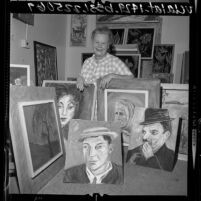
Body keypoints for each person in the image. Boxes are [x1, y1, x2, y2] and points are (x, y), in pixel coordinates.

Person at [76, 26, 133, 91]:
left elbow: (130, 77)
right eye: (97, 42)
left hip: (108, 100)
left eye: (103, 43)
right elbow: (82, 80)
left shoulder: (114, 61)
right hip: (88, 100)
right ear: (92, 43)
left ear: (108, 45)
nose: (99, 46)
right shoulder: (87, 62)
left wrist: (112, 76)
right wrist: (80, 79)